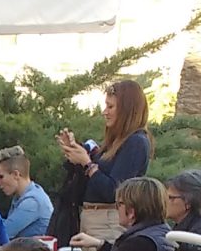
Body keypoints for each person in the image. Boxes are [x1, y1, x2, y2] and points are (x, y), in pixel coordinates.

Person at [57, 78, 152, 221]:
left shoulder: (136, 143)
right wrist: (75, 151)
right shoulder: (115, 142)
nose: (104, 112)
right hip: (93, 218)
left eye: (110, 107)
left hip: (107, 222)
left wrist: (87, 164)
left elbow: (115, 191)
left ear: (126, 110)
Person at [77, 176, 173, 251]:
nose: (117, 209)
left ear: (132, 211)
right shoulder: (159, 232)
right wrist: (99, 244)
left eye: (119, 204)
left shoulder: (141, 242)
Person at [0, 147, 53, 241]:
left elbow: (3, 233)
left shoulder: (32, 202)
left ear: (16, 174)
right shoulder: (22, 196)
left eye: (1, 177)